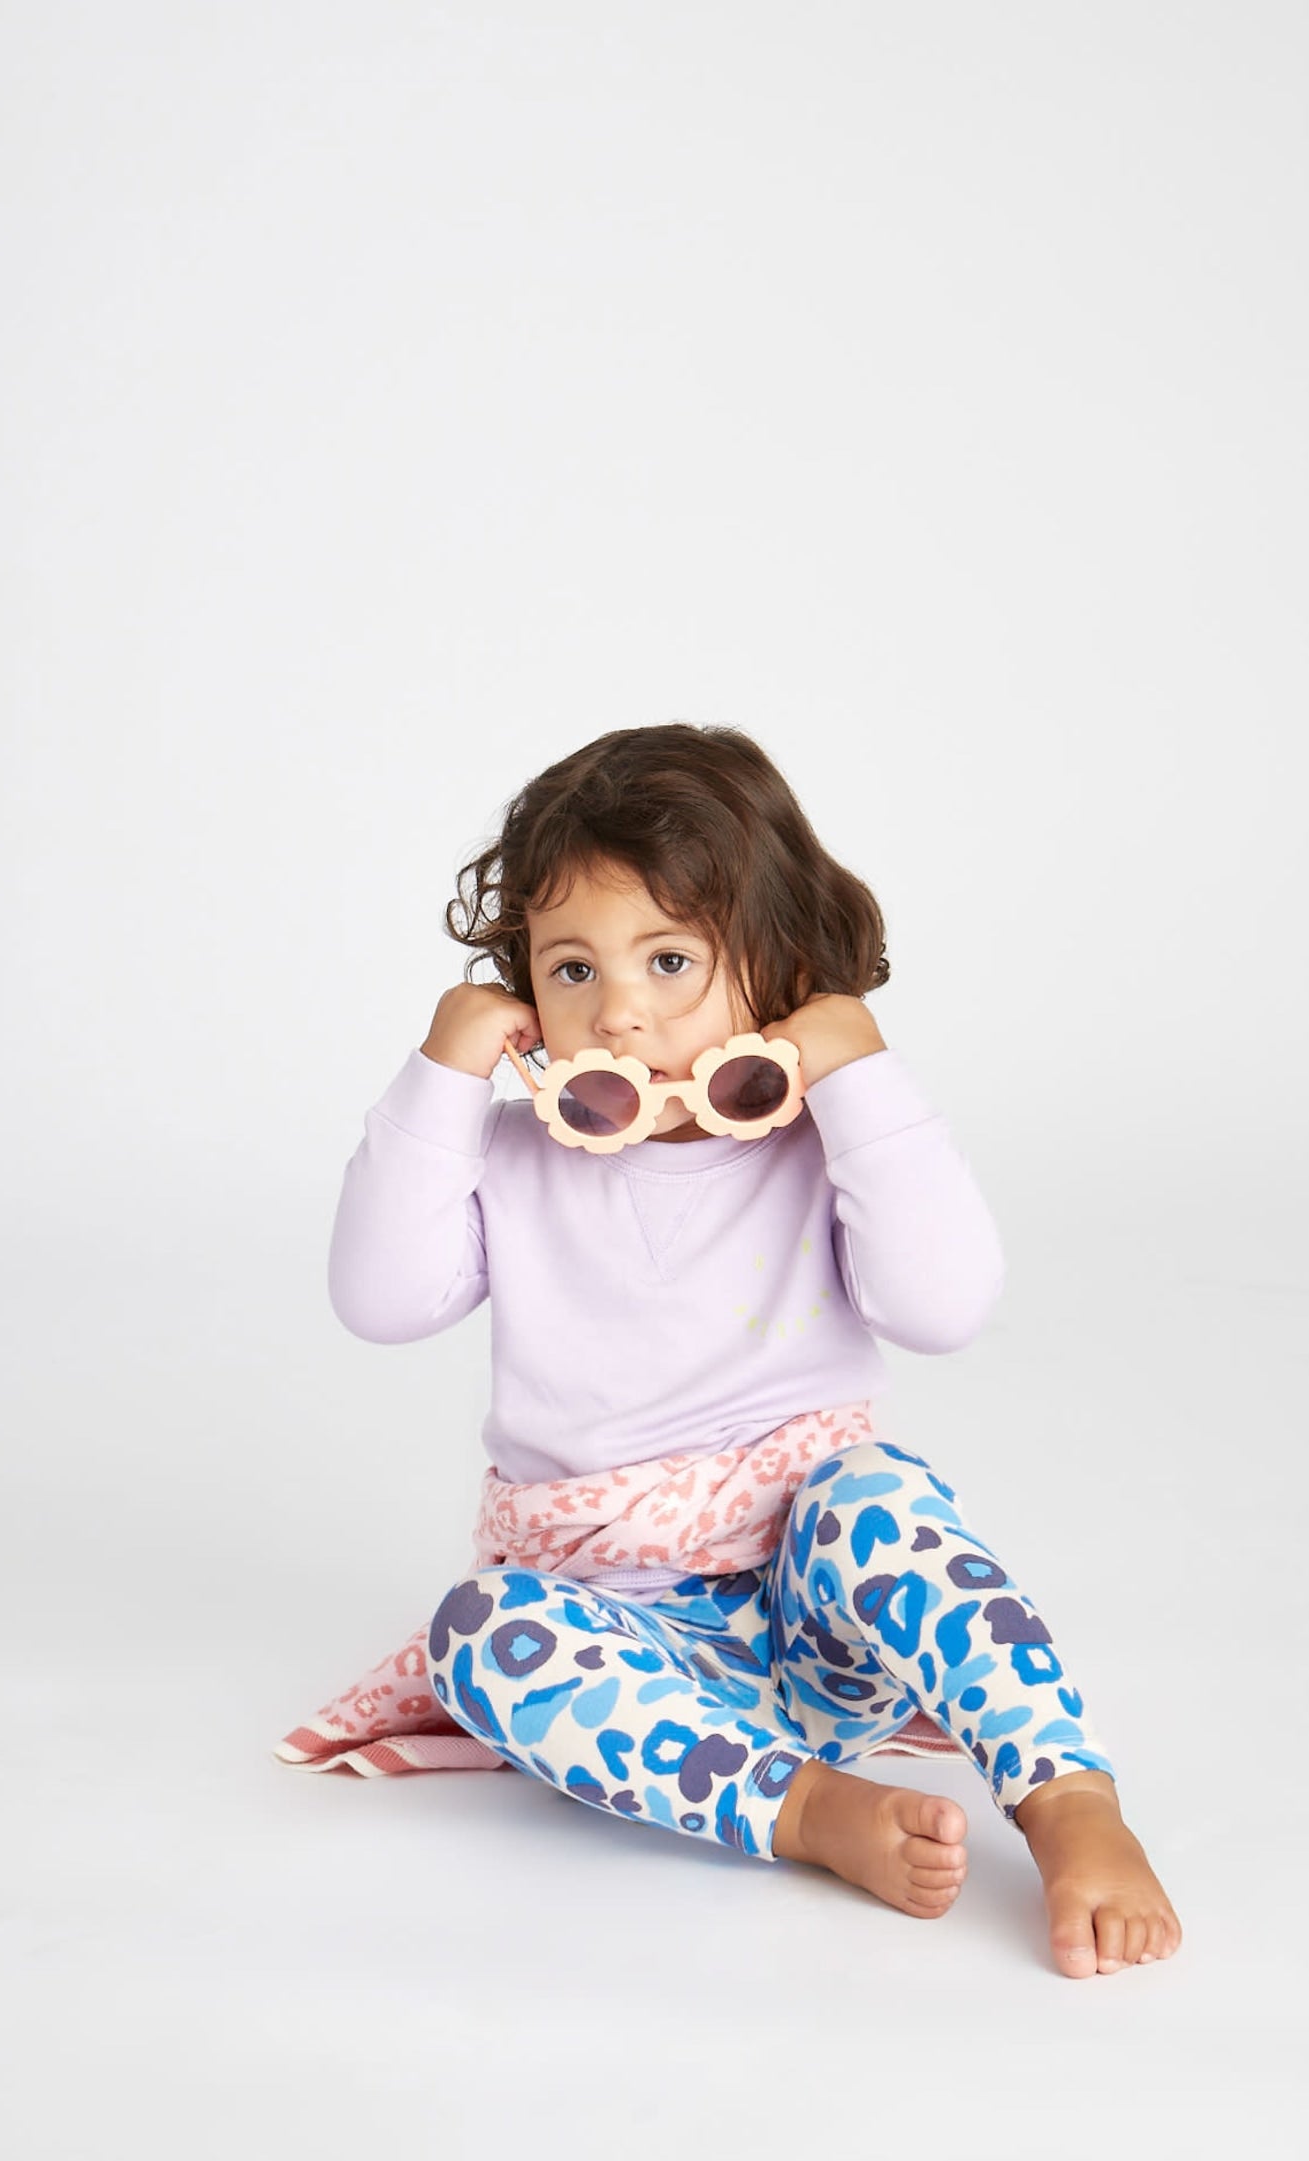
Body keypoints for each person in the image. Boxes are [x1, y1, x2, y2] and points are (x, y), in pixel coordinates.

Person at [322, 721, 1182, 1979]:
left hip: (823, 1624)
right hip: (632, 1652)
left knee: (876, 1494)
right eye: (571, 968)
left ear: (777, 964)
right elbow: (380, 1299)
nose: (617, 1009)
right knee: (479, 1630)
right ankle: (806, 1809)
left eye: (669, 959)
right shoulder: (505, 1156)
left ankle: (1068, 1798)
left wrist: (858, 1072)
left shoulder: (824, 1146)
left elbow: (942, 1307)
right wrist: (444, 1070)